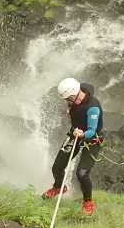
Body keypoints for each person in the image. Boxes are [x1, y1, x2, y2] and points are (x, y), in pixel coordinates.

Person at [42, 77, 104, 215]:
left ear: (75, 94)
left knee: (82, 173)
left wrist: (82, 134)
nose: (67, 102)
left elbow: (92, 131)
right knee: (57, 167)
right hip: (74, 134)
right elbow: (86, 87)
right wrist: (71, 108)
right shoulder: (79, 91)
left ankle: (88, 202)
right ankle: (58, 187)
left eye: (68, 99)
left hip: (91, 139)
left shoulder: (93, 108)